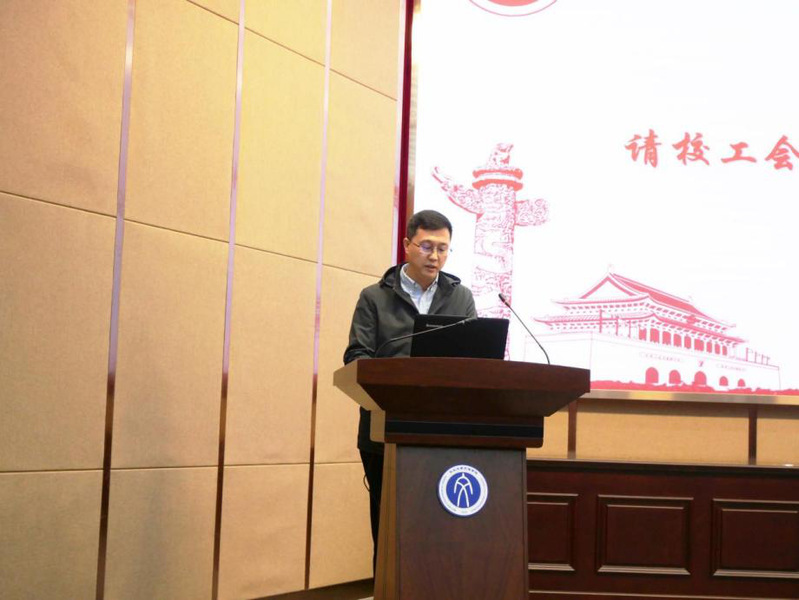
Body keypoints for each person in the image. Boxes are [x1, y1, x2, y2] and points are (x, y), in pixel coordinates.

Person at [343, 209, 476, 569]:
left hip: (443, 431)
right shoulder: (374, 297)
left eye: (443, 249)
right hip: (384, 429)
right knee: (389, 525)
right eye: (426, 246)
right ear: (407, 245)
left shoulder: (461, 297)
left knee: (438, 526)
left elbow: (474, 359)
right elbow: (357, 356)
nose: (435, 256)